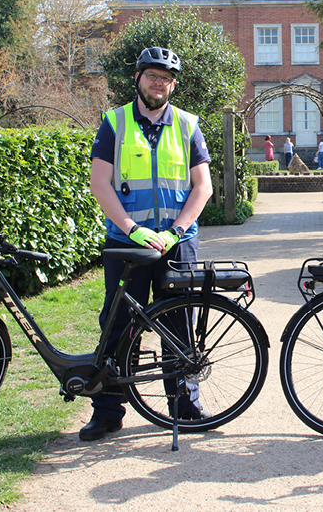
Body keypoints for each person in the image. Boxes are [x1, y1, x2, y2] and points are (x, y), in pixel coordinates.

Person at [83, 46, 214, 442]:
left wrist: (175, 231)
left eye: (166, 78)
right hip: (127, 243)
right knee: (118, 326)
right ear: (138, 78)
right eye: (152, 75)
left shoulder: (189, 124)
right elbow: (99, 183)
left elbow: (202, 186)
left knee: (180, 326)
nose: (159, 83)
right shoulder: (114, 122)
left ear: (173, 85)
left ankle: (184, 403)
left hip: (177, 243)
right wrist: (131, 228)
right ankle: (108, 411)